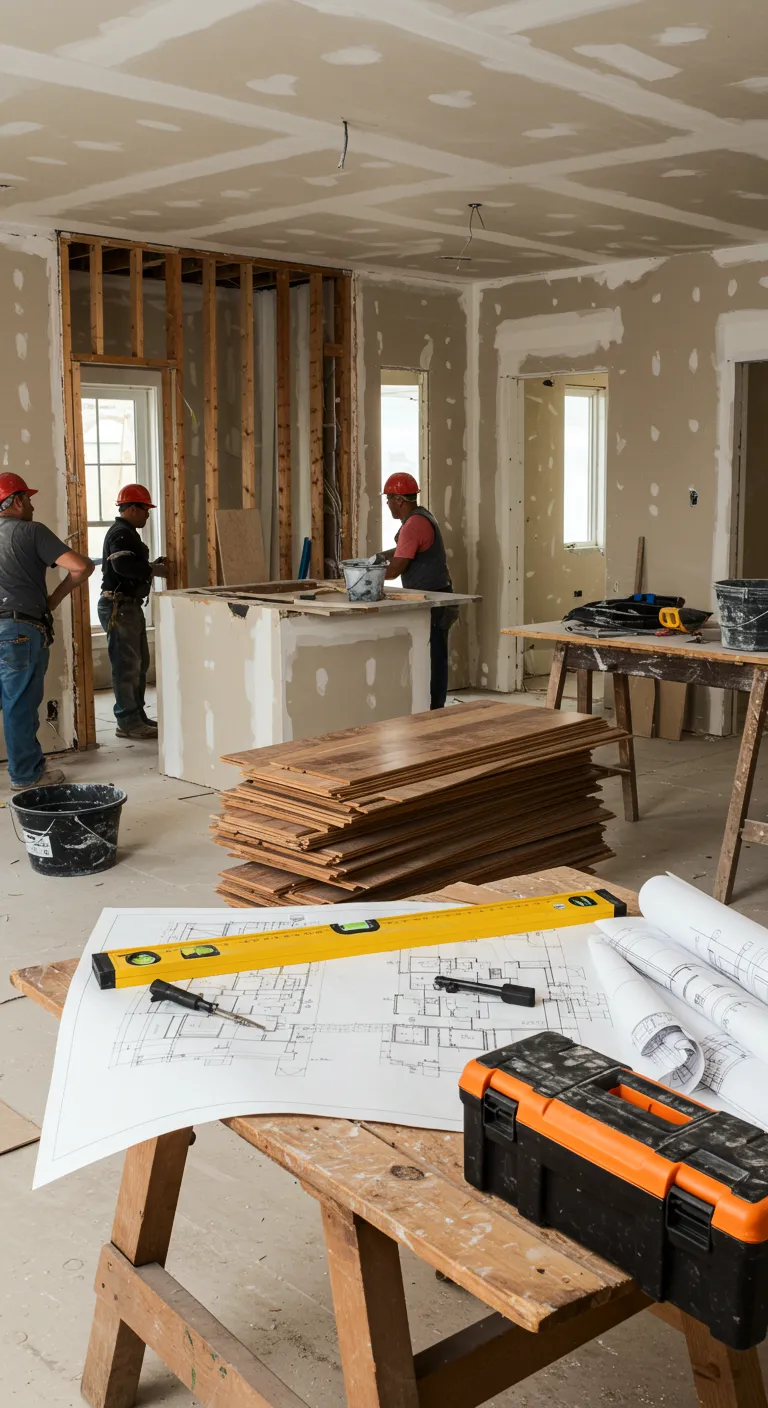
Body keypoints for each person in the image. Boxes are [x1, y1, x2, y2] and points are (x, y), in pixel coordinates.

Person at [0, 472, 93, 790]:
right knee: (20, 704)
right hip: (19, 631)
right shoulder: (31, 532)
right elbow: (81, 567)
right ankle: (26, 775)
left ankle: (30, 765)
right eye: (28, 498)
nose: (32, 505)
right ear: (16, 501)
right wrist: (52, 600)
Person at [98, 484, 168, 741]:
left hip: (128, 606)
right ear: (132, 508)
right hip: (119, 606)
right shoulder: (121, 533)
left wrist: (149, 567)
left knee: (139, 665)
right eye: (146, 509)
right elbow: (123, 565)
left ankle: (136, 716)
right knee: (127, 666)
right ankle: (128, 721)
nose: (148, 515)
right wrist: (152, 570)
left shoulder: (127, 533)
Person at [383, 472, 458, 710]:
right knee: (433, 655)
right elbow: (401, 551)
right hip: (437, 594)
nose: (388, 506)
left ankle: (434, 710)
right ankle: (432, 706)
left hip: (434, 600)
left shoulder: (413, 525)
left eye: (388, 500)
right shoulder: (422, 517)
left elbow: (395, 569)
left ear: (399, 500)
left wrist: (365, 573)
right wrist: (377, 557)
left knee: (433, 657)